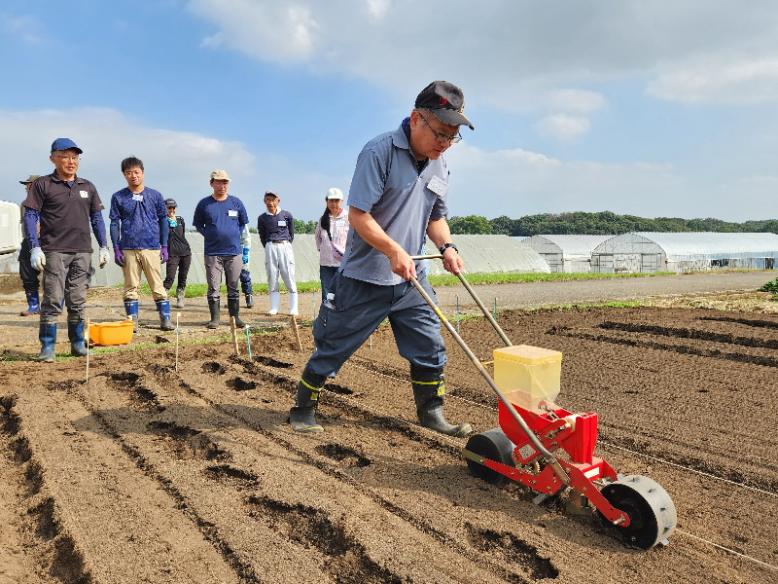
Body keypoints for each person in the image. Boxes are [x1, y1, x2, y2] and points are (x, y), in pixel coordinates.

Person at [289, 80, 474, 437]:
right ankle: (302, 408)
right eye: (440, 133)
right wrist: (392, 250)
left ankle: (431, 412)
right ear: (416, 118)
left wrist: (448, 247)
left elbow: (435, 216)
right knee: (334, 346)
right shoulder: (380, 152)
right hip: (365, 277)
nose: (445, 143)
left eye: (452, 137)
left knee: (429, 344)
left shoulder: (440, 165)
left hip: (411, 279)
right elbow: (359, 215)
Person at [23, 138, 110, 362]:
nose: (71, 161)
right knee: (52, 298)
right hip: (54, 251)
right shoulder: (43, 184)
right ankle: (48, 347)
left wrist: (103, 245)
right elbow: (31, 216)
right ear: (53, 158)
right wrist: (35, 247)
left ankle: (78, 344)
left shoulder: (87, 186)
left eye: (75, 157)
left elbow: (97, 217)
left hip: (82, 251)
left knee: (78, 299)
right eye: (65, 156)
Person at [109, 156, 173, 332]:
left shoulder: (155, 196)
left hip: (151, 247)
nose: (133, 176)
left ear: (142, 173)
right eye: (129, 173)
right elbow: (114, 223)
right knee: (131, 287)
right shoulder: (118, 197)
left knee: (157, 285)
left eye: (136, 172)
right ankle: (133, 322)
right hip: (128, 248)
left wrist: (165, 245)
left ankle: (165, 320)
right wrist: (116, 248)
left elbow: (163, 220)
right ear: (124, 175)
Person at [193, 169, 249, 329]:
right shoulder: (204, 204)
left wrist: (234, 236)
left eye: (225, 182)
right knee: (213, 287)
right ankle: (215, 319)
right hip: (213, 252)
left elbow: (242, 224)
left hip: (234, 252)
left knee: (233, 285)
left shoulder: (236, 203)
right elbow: (198, 224)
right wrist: (210, 235)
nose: (222, 185)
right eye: (218, 181)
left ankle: (235, 318)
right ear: (211, 183)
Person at [257, 191, 297, 315]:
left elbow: (291, 233)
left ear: (278, 201)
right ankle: (274, 307)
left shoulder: (286, 215)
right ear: (264, 201)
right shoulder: (262, 218)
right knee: (272, 276)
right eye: (267, 200)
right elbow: (262, 235)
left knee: (288, 274)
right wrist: (269, 245)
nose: (270, 202)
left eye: (272, 200)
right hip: (270, 246)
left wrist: (286, 243)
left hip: (285, 245)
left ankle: (293, 308)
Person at [315, 187, 350, 302]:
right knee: (327, 292)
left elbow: (354, 239)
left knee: (342, 291)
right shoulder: (323, 219)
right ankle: (327, 318)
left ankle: (342, 318)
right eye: (331, 201)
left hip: (343, 263)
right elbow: (318, 237)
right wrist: (324, 250)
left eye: (337, 200)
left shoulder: (348, 218)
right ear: (327, 202)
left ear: (342, 201)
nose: (334, 204)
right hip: (325, 263)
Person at [18, 175, 42, 316]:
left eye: (29, 185)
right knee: (26, 272)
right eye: (26, 185)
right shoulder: (24, 204)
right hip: (29, 241)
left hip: (49, 241)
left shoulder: (51, 201)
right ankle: (33, 305)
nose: (27, 188)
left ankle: (53, 305)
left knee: (54, 274)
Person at [162, 198, 192, 309]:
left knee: (183, 277)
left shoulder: (180, 220)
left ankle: (180, 297)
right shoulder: (162, 221)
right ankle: (162, 298)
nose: (171, 210)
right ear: (165, 208)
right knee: (170, 277)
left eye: (173, 207)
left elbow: (182, 234)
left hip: (185, 252)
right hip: (172, 253)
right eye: (169, 207)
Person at [239, 224, 254, 308]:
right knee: (230, 277)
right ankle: (233, 299)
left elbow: (247, 237)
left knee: (244, 274)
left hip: (240, 249)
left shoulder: (240, 220)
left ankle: (249, 297)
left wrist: (245, 251)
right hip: (228, 250)